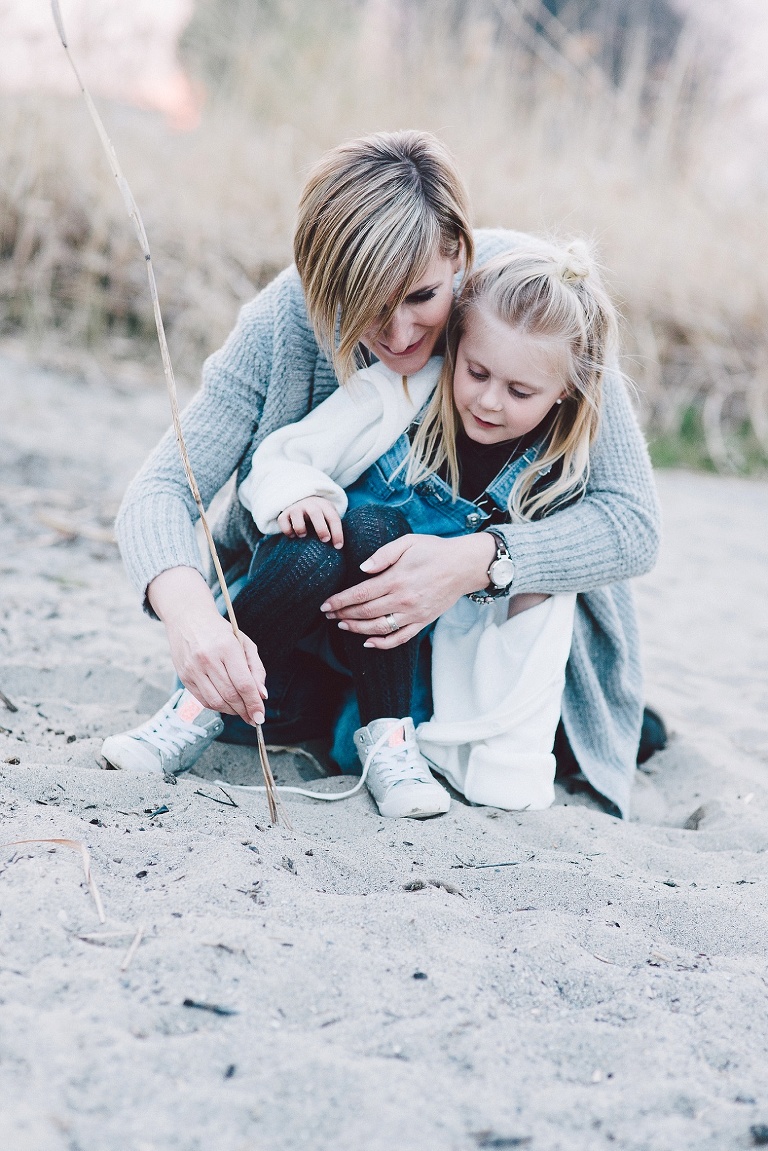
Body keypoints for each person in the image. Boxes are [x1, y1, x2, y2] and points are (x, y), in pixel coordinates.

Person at [103, 129, 661, 819]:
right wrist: (190, 617)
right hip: (315, 611)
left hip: (467, 632)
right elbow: (159, 489)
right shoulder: (284, 322)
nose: (398, 334)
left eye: (422, 296)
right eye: (365, 305)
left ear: (458, 251)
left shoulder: (528, 306)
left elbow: (632, 523)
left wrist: (475, 561)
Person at [236, 239, 619, 817]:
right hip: (321, 611)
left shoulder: (550, 474)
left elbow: (613, 539)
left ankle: (442, 738)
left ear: (565, 390)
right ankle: (209, 707)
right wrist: (302, 494)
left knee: (348, 748)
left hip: (400, 653)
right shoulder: (402, 396)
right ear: (457, 345)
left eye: (519, 391)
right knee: (371, 526)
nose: (490, 401)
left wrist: (511, 767)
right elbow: (283, 458)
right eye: (477, 372)